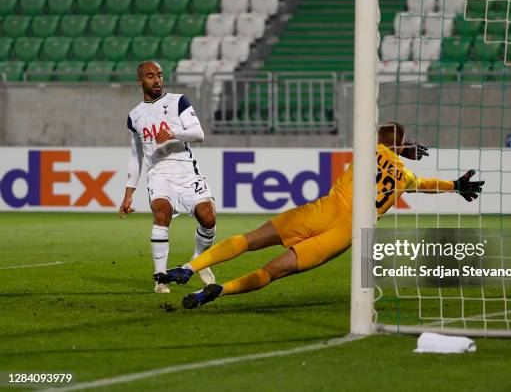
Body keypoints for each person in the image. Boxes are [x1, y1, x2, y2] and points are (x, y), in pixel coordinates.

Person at [156, 122, 484, 307]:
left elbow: (377, 131)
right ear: (402, 147)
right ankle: (218, 291)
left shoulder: (372, 148)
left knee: (251, 239)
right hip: (343, 235)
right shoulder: (406, 177)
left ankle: (189, 268)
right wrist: (455, 185)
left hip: (322, 211)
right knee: (272, 271)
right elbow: (426, 183)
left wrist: (401, 144)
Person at [119, 60, 216, 293]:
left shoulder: (178, 101)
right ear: (140, 81)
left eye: (160, 75)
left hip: (184, 169)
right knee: (161, 212)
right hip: (158, 174)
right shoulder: (135, 116)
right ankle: (160, 279)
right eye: (151, 76)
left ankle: (199, 261)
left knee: (209, 218)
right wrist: (128, 193)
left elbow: (198, 134)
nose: (157, 80)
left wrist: (173, 133)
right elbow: (136, 156)